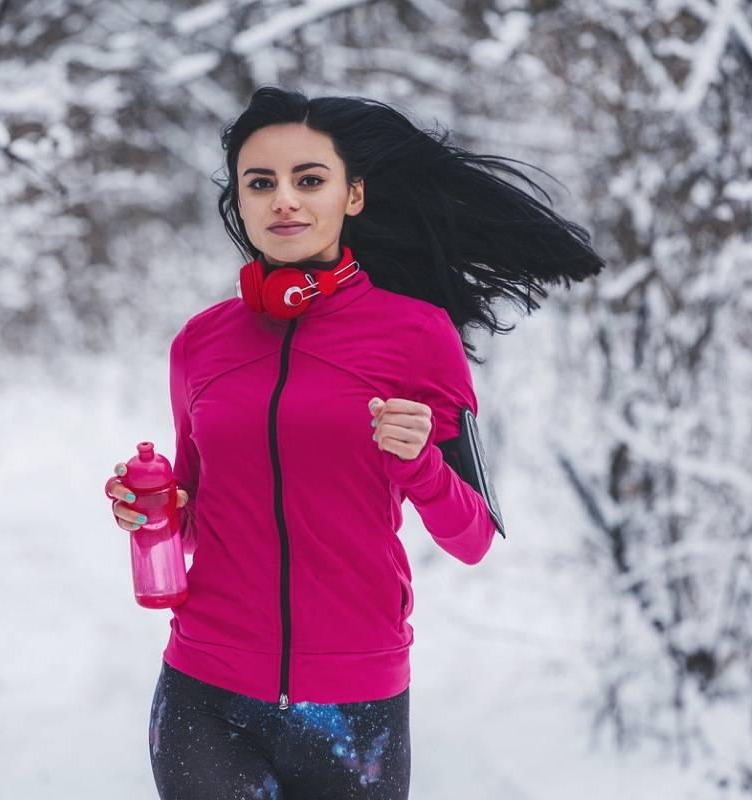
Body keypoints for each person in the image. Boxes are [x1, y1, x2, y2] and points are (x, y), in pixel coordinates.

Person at [106, 86, 605, 800]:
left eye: (309, 180)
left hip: (353, 706)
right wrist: (147, 505)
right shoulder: (200, 344)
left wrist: (422, 465)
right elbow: (188, 511)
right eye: (261, 183)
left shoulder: (417, 335)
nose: (284, 200)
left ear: (354, 196)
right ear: (239, 204)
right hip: (205, 695)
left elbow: (471, 537)